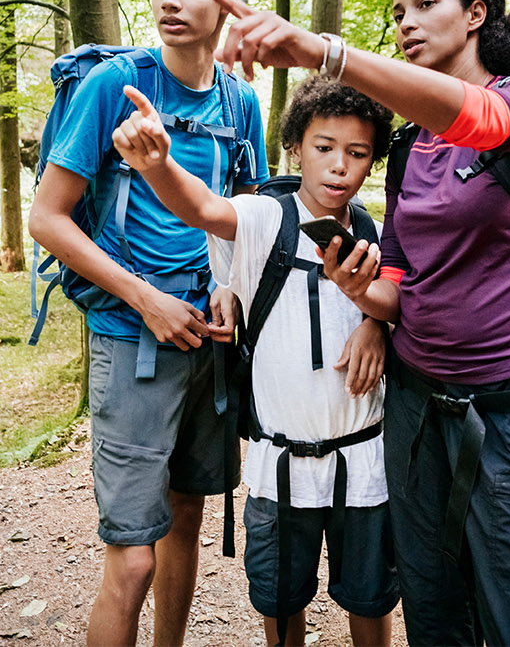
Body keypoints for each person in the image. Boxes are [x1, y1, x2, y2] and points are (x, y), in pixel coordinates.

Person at [198, 0, 510, 646]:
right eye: (398, 12)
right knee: (432, 604)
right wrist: (363, 298)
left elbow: (479, 119)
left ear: (476, 13)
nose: (406, 22)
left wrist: (322, 52)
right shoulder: (413, 145)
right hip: (415, 404)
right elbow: (399, 272)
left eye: (425, 4)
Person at [28, 0, 269, 647]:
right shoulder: (115, 84)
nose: (168, 1)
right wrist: (145, 297)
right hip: (131, 340)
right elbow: (47, 218)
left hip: (211, 345)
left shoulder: (242, 104)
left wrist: (230, 290)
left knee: (187, 520)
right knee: (131, 558)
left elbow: (244, 221)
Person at [112, 75, 400, 646]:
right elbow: (202, 207)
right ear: (295, 147)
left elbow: (405, 307)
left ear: (372, 163)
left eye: (357, 153)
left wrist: (376, 324)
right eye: (324, 148)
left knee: (370, 598)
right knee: (280, 597)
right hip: (281, 466)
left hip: (364, 462)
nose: (338, 166)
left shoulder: (376, 233)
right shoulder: (265, 220)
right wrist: (158, 166)